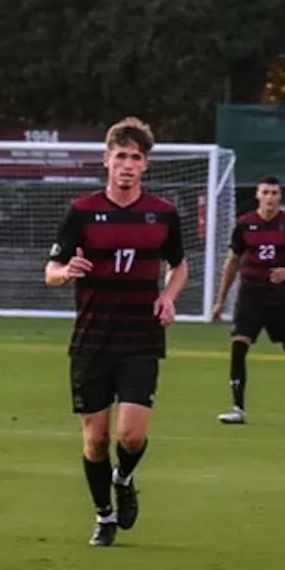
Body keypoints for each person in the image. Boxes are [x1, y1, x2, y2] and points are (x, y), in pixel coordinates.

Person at [45, 117, 187, 547]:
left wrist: (168, 296)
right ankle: (103, 515)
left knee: (131, 434)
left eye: (136, 158)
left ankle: (123, 478)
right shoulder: (81, 212)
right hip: (92, 337)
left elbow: (179, 265)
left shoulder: (162, 214)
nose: (127, 164)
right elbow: (50, 270)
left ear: (145, 166)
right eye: (121, 156)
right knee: (95, 439)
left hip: (141, 335)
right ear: (107, 160)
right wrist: (66, 271)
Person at [210, 177, 285, 425]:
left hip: (280, 298)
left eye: (274, 192)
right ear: (258, 195)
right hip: (251, 296)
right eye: (265, 192)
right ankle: (238, 408)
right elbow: (232, 263)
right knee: (238, 346)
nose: (269, 197)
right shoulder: (245, 224)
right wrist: (220, 300)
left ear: (280, 197)